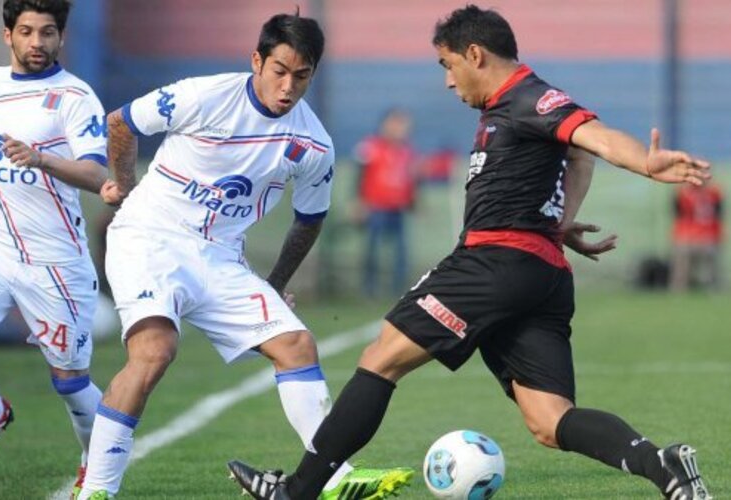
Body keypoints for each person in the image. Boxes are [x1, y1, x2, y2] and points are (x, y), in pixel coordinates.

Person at [227, 5, 714, 500]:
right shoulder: (505, 107)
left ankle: (297, 491)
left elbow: (596, 139)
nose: (447, 82)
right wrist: (559, 221)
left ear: (475, 54)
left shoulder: (531, 97)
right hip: (539, 272)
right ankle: (663, 465)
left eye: (448, 65)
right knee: (549, 420)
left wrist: (647, 163)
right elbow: (577, 154)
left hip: (493, 262)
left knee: (382, 355)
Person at [76, 11, 412, 500]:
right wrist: (124, 188)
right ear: (256, 60)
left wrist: (274, 282)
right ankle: (96, 494)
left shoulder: (313, 143)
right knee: (154, 351)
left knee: (296, 344)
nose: (288, 86)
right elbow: (121, 122)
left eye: (302, 76)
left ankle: (336, 480)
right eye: (279, 70)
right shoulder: (204, 96)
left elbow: (310, 218)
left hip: (220, 259)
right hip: (150, 237)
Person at [0, 0, 107, 495]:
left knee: (69, 382)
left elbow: (95, 173)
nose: (37, 43)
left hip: (54, 260)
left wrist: (42, 159)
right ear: (8, 35)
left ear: (61, 37)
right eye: (27, 31)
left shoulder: (75, 97)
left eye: (48, 32)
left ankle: (96, 463)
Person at [354, 108, 417, 296]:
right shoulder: (370, 146)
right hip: (375, 207)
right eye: (397, 124)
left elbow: (410, 179)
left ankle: (397, 290)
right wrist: (358, 202)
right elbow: (360, 175)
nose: (401, 129)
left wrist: (414, 201)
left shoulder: (407, 151)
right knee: (372, 250)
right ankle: (369, 289)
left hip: (398, 208)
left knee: (401, 251)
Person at [670, 182, 724, 291]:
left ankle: (713, 289)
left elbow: (718, 213)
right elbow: (677, 212)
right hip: (688, 234)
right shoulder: (683, 192)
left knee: (711, 268)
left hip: (707, 234)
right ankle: (679, 290)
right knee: (682, 268)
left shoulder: (713, 192)